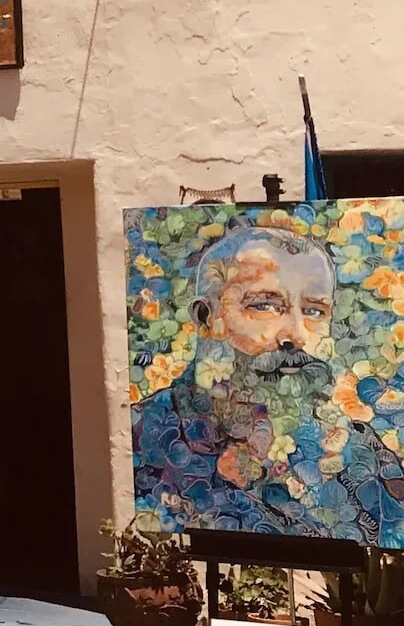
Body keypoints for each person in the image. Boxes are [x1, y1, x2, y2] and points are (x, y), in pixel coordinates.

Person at [135, 223, 404, 542]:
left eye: (314, 311)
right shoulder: (142, 436)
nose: (297, 335)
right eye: (264, 306)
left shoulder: (358, 449)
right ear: (206, 317)